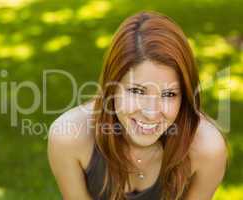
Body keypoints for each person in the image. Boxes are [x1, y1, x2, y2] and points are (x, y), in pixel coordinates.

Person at [47, 11, 229, 200]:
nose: (151, 113)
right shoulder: (68, 137)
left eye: (169, 94)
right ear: (112, 86)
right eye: (137, 91)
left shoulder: (207, 149)